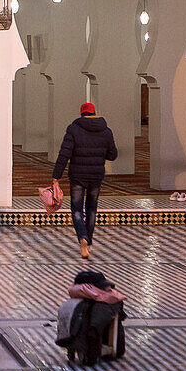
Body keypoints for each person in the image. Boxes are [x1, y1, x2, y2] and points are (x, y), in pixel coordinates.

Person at [52, 102, 118, 259]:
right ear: (94, 113)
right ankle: (88, 243)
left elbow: (64, 154)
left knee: (76, 209)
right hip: (96, 175)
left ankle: (82, 237)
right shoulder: (106, 131)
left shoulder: (73, 129)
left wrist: (56, 175)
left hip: (78, 176)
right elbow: (113, 155)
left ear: (81, 113)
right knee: (92, 209)